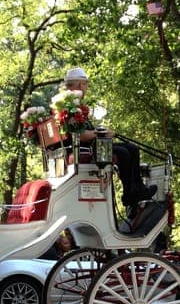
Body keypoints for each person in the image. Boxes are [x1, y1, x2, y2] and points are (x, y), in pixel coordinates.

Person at [61, 68, 156, 209]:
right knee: (123, 153)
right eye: (86, 84)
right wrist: (102, 133)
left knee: (132, 148)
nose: (86, 88)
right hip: (87, 149)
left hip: (91, 146)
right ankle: (130, 193)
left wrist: (101, 132)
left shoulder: (71, 104)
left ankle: (136, 190)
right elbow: (80, 136)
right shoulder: (69, 106)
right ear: (81, 85)